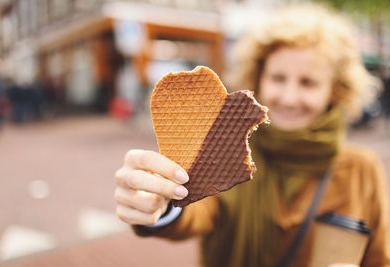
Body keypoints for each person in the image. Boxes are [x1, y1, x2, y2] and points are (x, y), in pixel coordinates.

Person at [114, 5, 390, 267]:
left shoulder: (362, 168)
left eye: (308, 83)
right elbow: (196, 212)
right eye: (278, 78)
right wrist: (160, 205)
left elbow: (380, 258)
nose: (289, 97)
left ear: (335, 89)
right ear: (258, 78)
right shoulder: (226, 148)